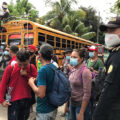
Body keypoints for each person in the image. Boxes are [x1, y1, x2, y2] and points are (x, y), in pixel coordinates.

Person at [93, 16, 120, 120]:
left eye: (112, 30)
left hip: (113, 112)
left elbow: (109, 92)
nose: (108, 34)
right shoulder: (114, 52)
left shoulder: (117, 56)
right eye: (107, 31)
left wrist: (97, 116)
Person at [0, 49, 37, 120]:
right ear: (16, 59)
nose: (22, 67)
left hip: (27, 100)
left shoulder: (31, 68)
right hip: (13, 101)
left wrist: (27, 75)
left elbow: (36, 82)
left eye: (25, 64)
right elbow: (3, 83)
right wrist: (2, 100)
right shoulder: (10, 68)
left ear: (29, 59)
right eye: (20, 64)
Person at [28, 44, 57, 120]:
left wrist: (31, 84)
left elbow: (41, 94)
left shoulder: (43, 70)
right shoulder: (54, 66)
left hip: (44, 109)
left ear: (40, 54)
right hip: (53, 107)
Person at [65, 48, 92, 120]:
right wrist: (66, 105)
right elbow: (70, 88)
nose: (72, 59)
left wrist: (81, 112)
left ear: (81, 59)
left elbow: (87, 94)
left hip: (80, 106)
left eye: (75, 57)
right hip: (72, 103)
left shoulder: (85, 71)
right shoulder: (73, 69)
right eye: (71, 57)